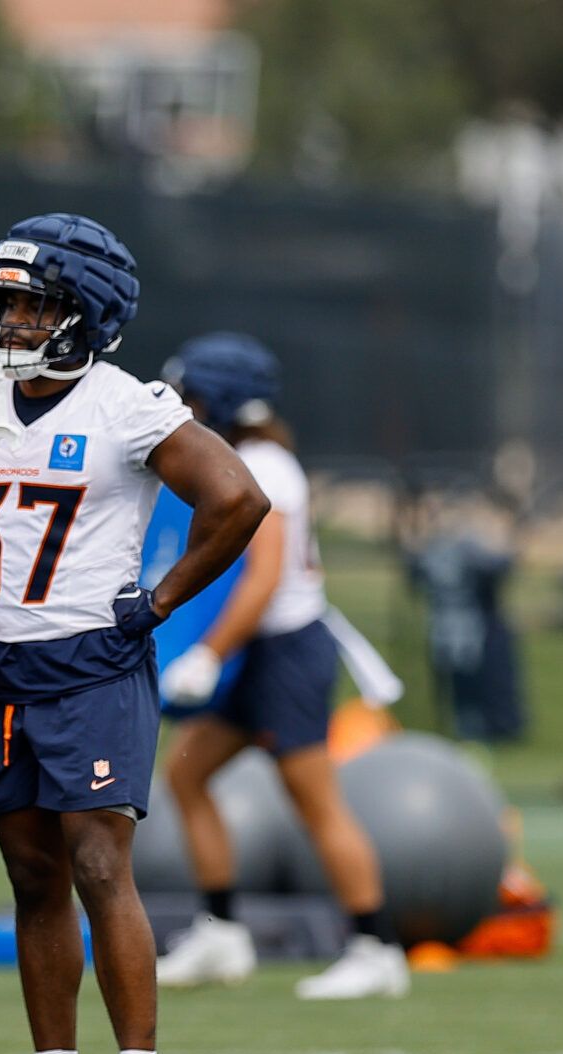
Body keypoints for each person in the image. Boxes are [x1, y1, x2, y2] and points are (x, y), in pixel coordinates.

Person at [0, 215, 267, 1054]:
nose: (13, 320)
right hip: (4, 665)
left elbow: (238, 499)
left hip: (94, 664)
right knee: (32, 874)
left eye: (34, 303)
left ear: (84, 311)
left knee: (96, 863)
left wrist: (158, 603)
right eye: (5, 302)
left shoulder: (127, 404)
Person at [155, 332, 409, 1000]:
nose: (186, 404)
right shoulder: (246, 455)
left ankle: (376, 945)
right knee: (187, 775)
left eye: (195, 393)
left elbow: (262, 579)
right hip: (258, 652)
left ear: (224, 399)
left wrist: (210, 654)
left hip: (285, 654)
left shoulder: (266, 465)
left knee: (315, 803)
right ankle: (222, 931)